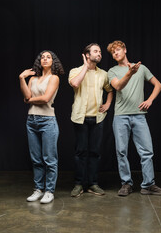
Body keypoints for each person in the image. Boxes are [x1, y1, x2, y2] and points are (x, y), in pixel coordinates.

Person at [107, 40, 161, 196]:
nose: (116, 53)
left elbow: (158, 85)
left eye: (118, 50)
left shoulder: (141, 68)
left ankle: (148, 185)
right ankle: (126, 183)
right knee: (121, 152)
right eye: (113, 52)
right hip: (121, 116)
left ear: (125, 50)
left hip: (139, 116)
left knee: (147, 151)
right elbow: (118, 86)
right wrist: (129, 73)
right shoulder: (112, 71)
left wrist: (150, 100)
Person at [19, 50, 64, 204]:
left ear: (53, 61)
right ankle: (38, 189)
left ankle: (49, 191)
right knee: (36, 159)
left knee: (49, 159)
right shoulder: (32, 79)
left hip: (48, 121)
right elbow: (26, 96)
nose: (45, 59)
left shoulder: (54, 78)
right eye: (42, 57)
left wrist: (29, 100)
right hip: (31, 121)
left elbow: (45, 99)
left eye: (48, 57)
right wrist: (21, 78)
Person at [68, 43, 113, 197]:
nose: (99, 53)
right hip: (80, 118)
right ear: (87, 55)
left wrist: (107, 103)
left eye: (100, 51)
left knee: (95, 152)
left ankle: (93, 184)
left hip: (97, 118)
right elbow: (75, 83)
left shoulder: (104, 74)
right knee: (80, 152)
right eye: (95, 51)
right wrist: (85, 68)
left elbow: (110, 90)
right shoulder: (75, 71)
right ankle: (79, 184)